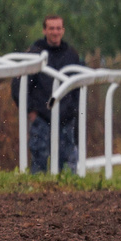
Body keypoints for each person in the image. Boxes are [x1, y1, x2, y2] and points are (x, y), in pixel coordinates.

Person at [25, 15, 84, 172]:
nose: (55, 32)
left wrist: (73, 110)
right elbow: (20, 86)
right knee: (39, 165)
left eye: (58, 28)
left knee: (67, 167)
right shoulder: (35, 53)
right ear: (45, 30)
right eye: (51, 28)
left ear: (63, 31)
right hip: (41, 119)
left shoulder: (71, 55)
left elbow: (78, 86)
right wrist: (30, 111)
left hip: (66, 120)